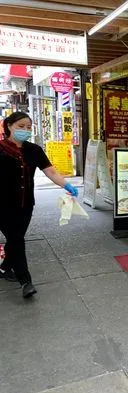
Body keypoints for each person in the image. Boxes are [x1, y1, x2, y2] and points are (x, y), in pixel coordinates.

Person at [0, 112, 78, 298]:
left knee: (15, 238)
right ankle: (25, 281)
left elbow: (50, 171)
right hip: (2, 205)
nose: (25, 130)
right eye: (21, 126)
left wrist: (66, 184)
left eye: (28, 127)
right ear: (9, 126)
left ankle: (4, 267)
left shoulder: (34, 150)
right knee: (17, 239)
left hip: (26, 203)